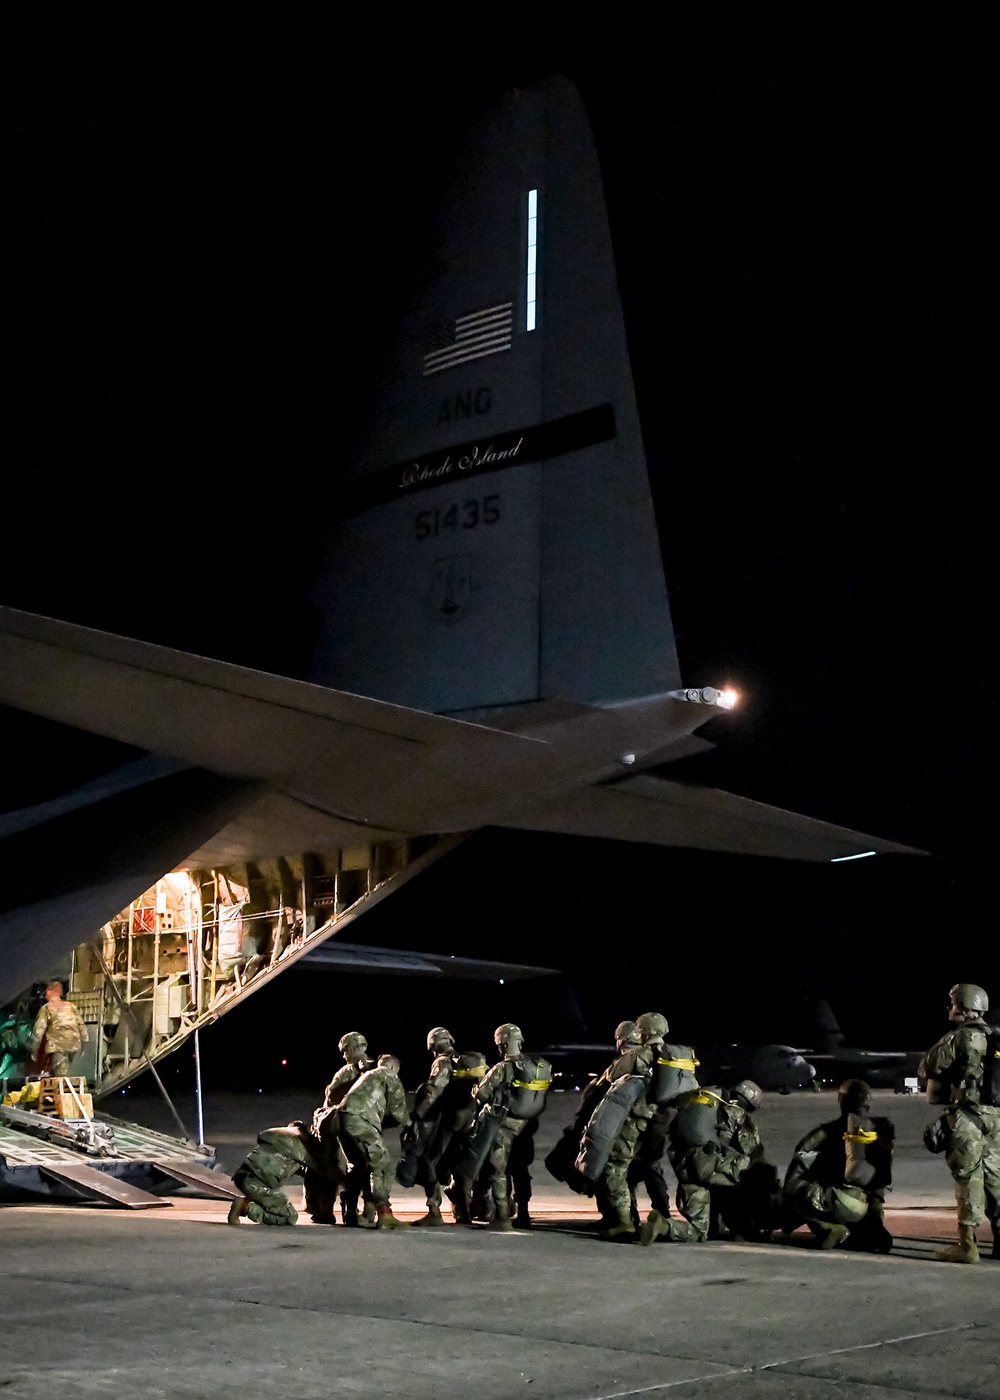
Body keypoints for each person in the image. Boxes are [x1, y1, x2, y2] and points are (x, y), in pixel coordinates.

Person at [641, 1080, 774, 1245]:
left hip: (686, 1168)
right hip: (708, 1167)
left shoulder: (700, 1105)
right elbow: (752, 1151)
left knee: (699, 1230)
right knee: (757, 1173)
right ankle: (744, 1228)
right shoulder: (738, 1114)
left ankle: (663, 1226)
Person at [923, 982, 999, 1263]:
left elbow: (929, 1065)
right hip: (994, 1116)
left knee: (968, 1176)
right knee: (995, 1177)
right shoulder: (994, 1037)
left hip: (967, 1114)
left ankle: (967, 1245)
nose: (951, 1007)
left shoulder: (961, 1037)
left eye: (954, 1003)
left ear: (965, 1008)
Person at [780, 1078, 893, 1252]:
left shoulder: (825, 1134)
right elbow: (881, 1183)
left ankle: (831, 1230)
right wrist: (876, 1218)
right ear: (867, 1105)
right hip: (865, 1206)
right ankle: (866, 1230)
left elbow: (795, 1174)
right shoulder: (877, 1135)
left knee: (797, 1191)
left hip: (839, 1202)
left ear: (841, 1102)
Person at [467, 1024, 552, 1232]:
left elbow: (483, 1095)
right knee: (521, 1170)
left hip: (505, 1125)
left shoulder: (503, 1068)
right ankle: (524, 1213)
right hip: (527, 1126)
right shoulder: (535, 1065)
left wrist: (475, 1089)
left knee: (499, 1169)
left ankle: (502, 1215)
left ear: (502, 1044)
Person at [406, 1027, 487, 1226]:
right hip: (473, 1118)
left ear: (432, 1045)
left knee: (429, 1160)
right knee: (461, 1162)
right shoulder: (473, 1060)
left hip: (452, 1119)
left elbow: (433, 1089)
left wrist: (417, 1115)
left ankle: (434, 1209)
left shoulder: (443, 1062)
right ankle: (465, 1211)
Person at [305, 1030, 374, 1225]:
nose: (344, 1056)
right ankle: (366, 1208)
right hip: (366, 1126)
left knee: (327, 1167)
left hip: (338, 1125)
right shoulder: (377, 1071)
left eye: (346, 1051)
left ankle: (326, 1211)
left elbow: (331, 1096)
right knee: (365, 1166)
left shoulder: (348, 1071)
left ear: (355, 1049)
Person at [338, 1053, 411, 1229]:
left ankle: (351, 1213)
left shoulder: (368, 1076)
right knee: (383, 1164)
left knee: (358, 1166)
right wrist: (410, 1123)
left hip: (342, 1120)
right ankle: (385, 1215)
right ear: (394, 1067)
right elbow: (398, 1111)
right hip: (360, 1120)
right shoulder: (389, 1074)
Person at [228, 1123, 320, 1226]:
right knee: (289, 1216)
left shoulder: (280, 1138)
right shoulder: (301, 1148)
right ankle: (246, 1207)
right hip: (257, 1183)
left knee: (273, 1202)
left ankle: (249, 1202)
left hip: (243, 1175)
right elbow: (323, 1170)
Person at [30, 981, 88, 1077]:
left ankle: (68, 1090)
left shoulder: (47, 1008)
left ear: (50, 992)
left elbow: (38, 1032)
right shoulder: (71, 1006)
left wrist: (34, 1050)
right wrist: (84, 1043)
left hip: (58, 1045)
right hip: (73, 1044)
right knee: (60, 1070)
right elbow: (81, 1025)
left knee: (62, 1076)